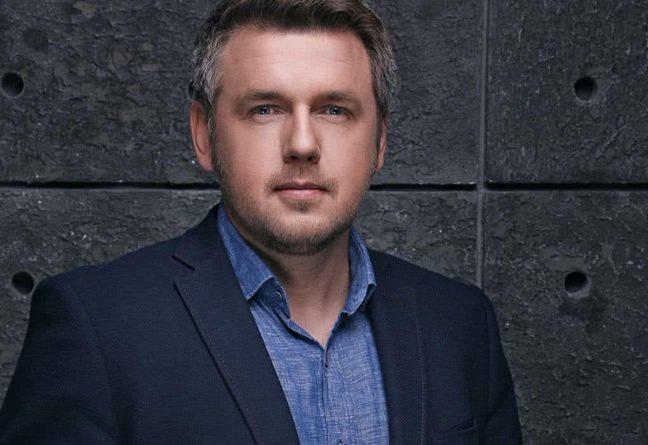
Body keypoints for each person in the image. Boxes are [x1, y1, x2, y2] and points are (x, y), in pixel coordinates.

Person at [0, 0, 521, 443]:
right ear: (204, 134)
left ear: (380, 141)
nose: (302, 144)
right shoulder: (97, 327)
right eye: (266, 109)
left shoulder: (460, 325)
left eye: (335, 110)